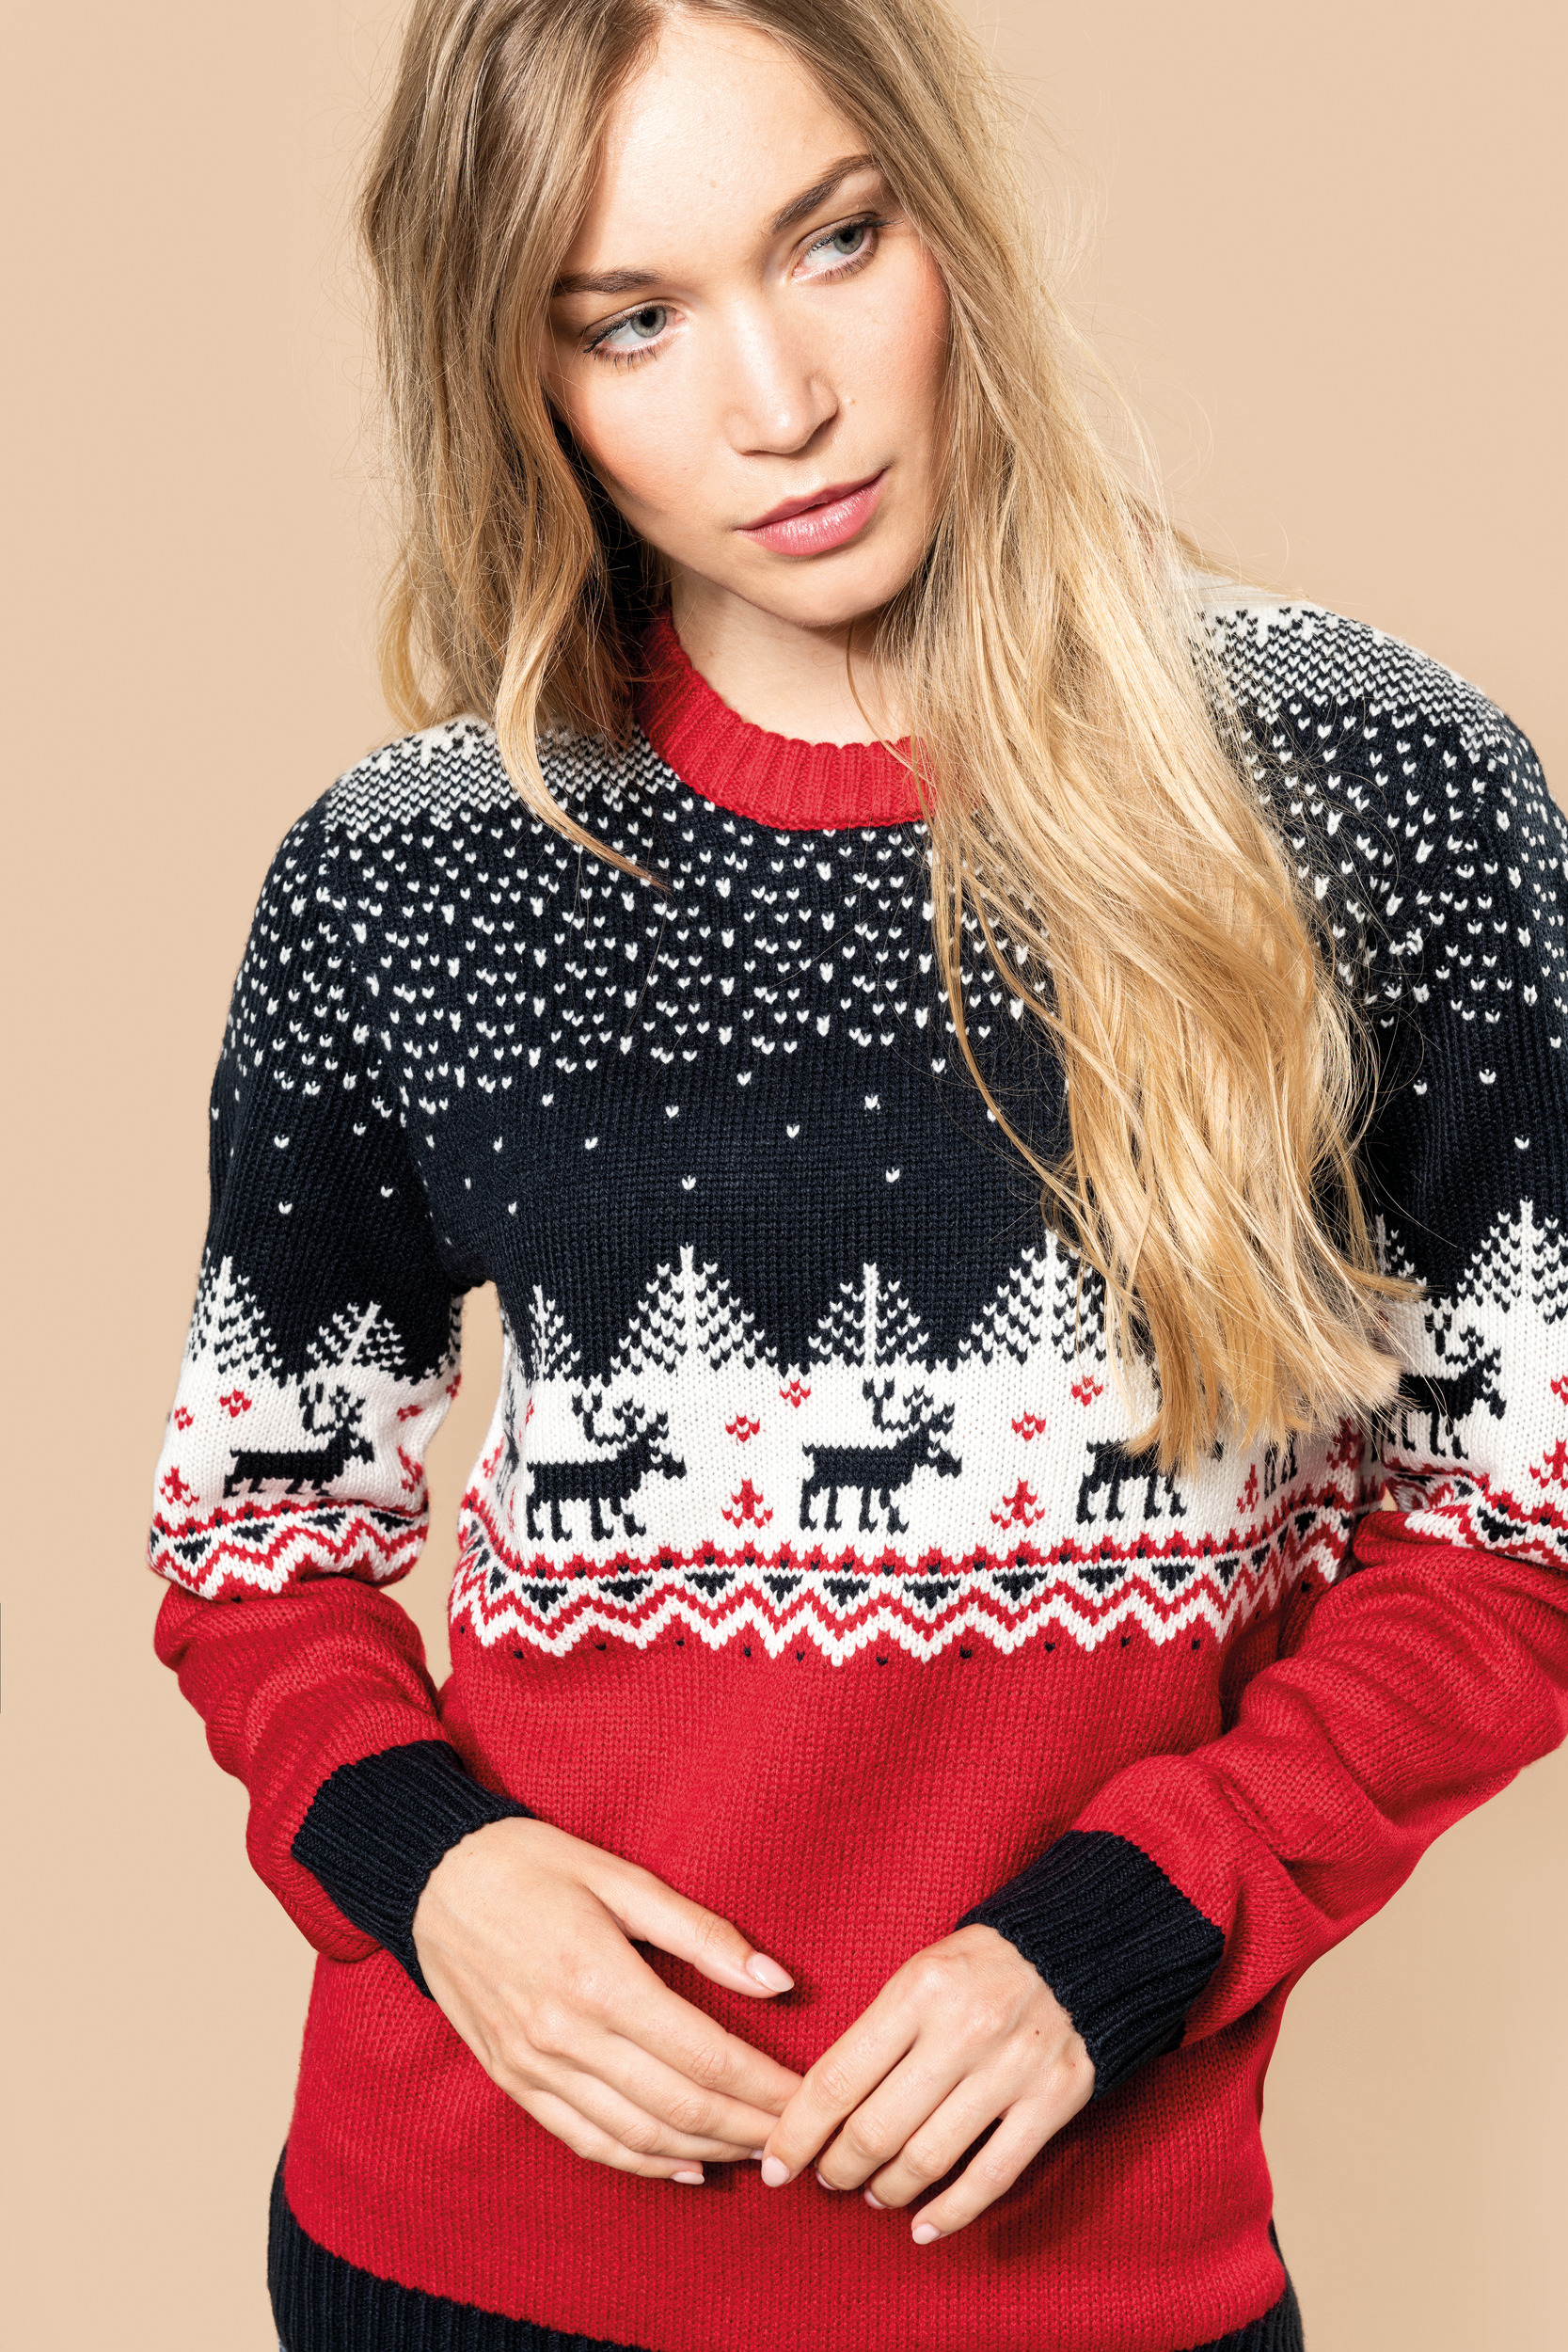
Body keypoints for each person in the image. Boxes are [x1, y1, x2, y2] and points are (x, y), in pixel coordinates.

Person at [145, 3, 1568, 2348]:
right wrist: (440, 1871)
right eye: (631, 318)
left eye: (832, 241)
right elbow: (255, 1535)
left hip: (1078, 2287)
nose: (778, 402)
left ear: (947, 213)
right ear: (522, 373)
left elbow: (1515, 1523)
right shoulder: (415, 871)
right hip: (459, 2250)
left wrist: (1136, 1923)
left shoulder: (1371, 791)